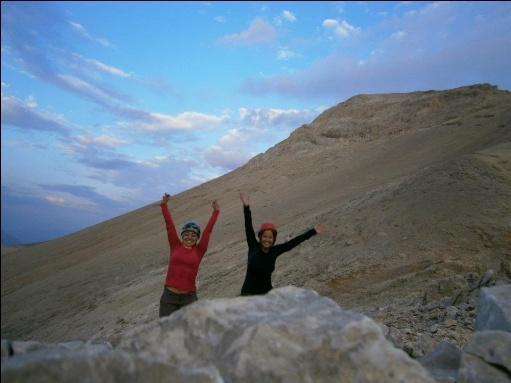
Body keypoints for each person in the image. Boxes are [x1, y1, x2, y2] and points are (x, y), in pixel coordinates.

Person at [239, 192, 325, 296]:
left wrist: (313, 231)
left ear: (274, 239)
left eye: (270, 237)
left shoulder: (275, 251)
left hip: (266, 295)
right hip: (248, 295)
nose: (267, 240)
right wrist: (246, 206)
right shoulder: (253, 245)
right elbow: (248, 226)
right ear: (260, 237)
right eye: (264, 236)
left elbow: (293, 242)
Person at [159, 192, 219, 317]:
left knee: (189, 332)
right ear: (182, 236)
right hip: (169, 298)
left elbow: (207, 232)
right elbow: (170, 226)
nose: (189, 237)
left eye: (193, 235)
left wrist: (215, 212)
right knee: (166, 332)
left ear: (197, 238)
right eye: (186, 234)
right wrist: (164, 206)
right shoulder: (175, 245)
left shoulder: (199, 250)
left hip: (189, 298)